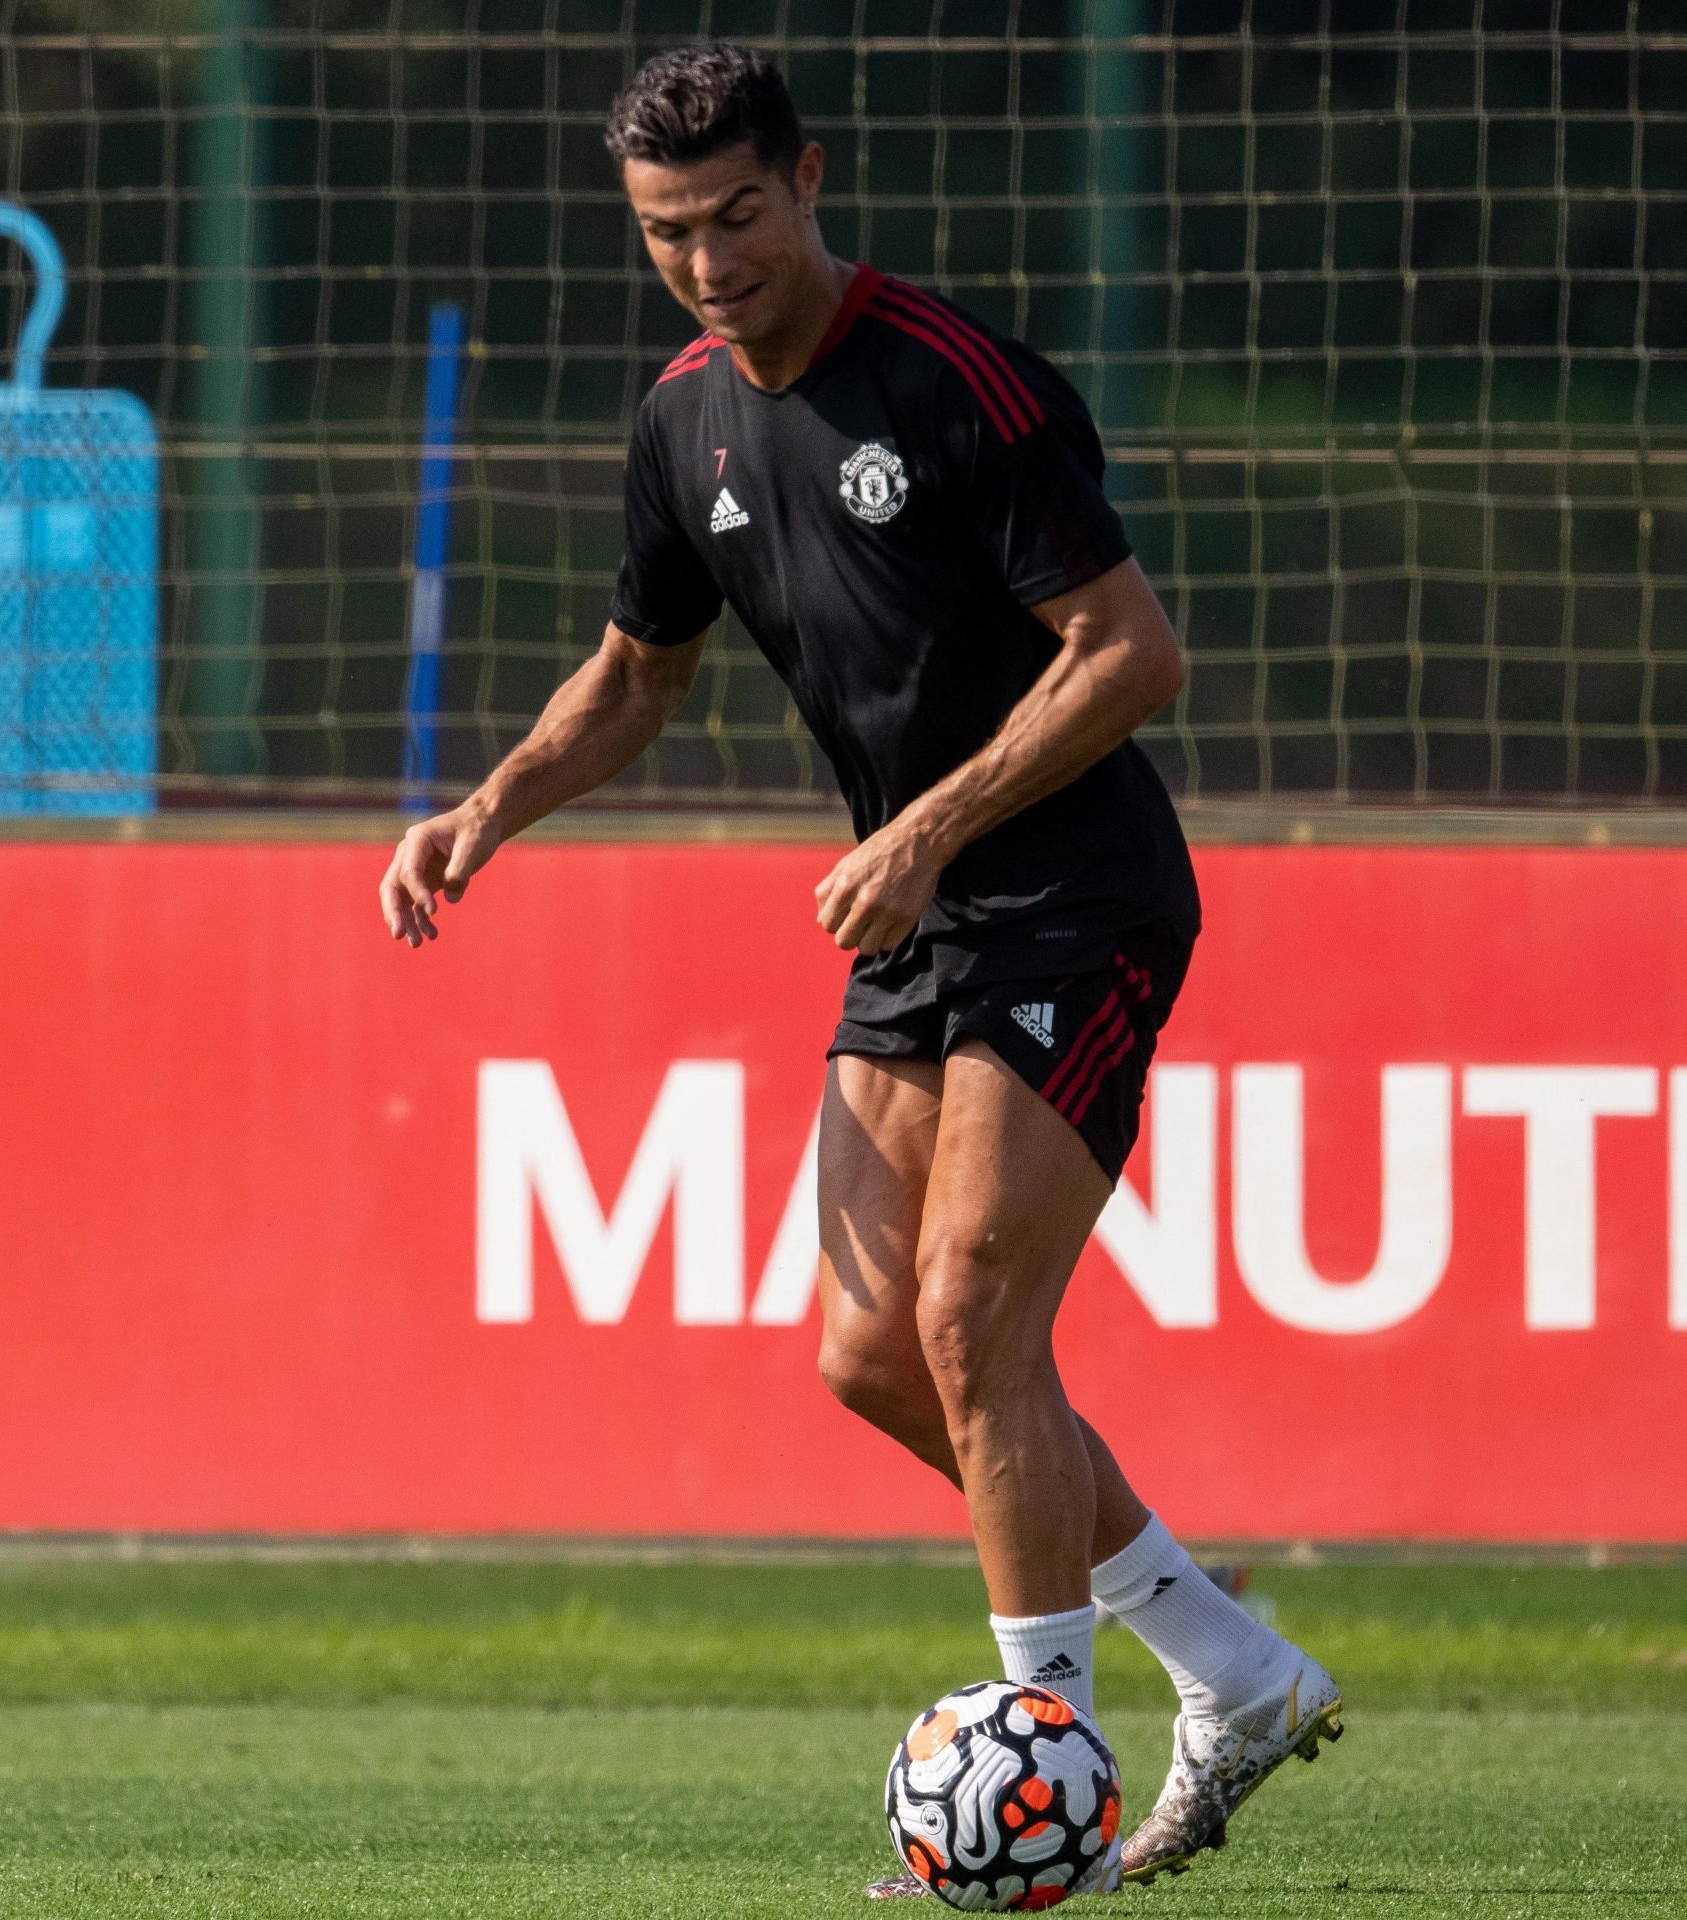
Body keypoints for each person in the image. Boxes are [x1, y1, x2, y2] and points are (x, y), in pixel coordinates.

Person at [376, 41, 1340, 1890]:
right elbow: (637, 676)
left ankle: (1037, 1760)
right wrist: (485, 808)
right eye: (669, 230)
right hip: (914, 910)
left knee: (980, 1321)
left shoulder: (958, 381)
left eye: (739, 213)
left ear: (809, 181)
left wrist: (922, 827)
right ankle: (1232, 1667)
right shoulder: (681, 427)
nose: (710, 258)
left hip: (1070, 888)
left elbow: (1131, 655)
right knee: (872, 1356)